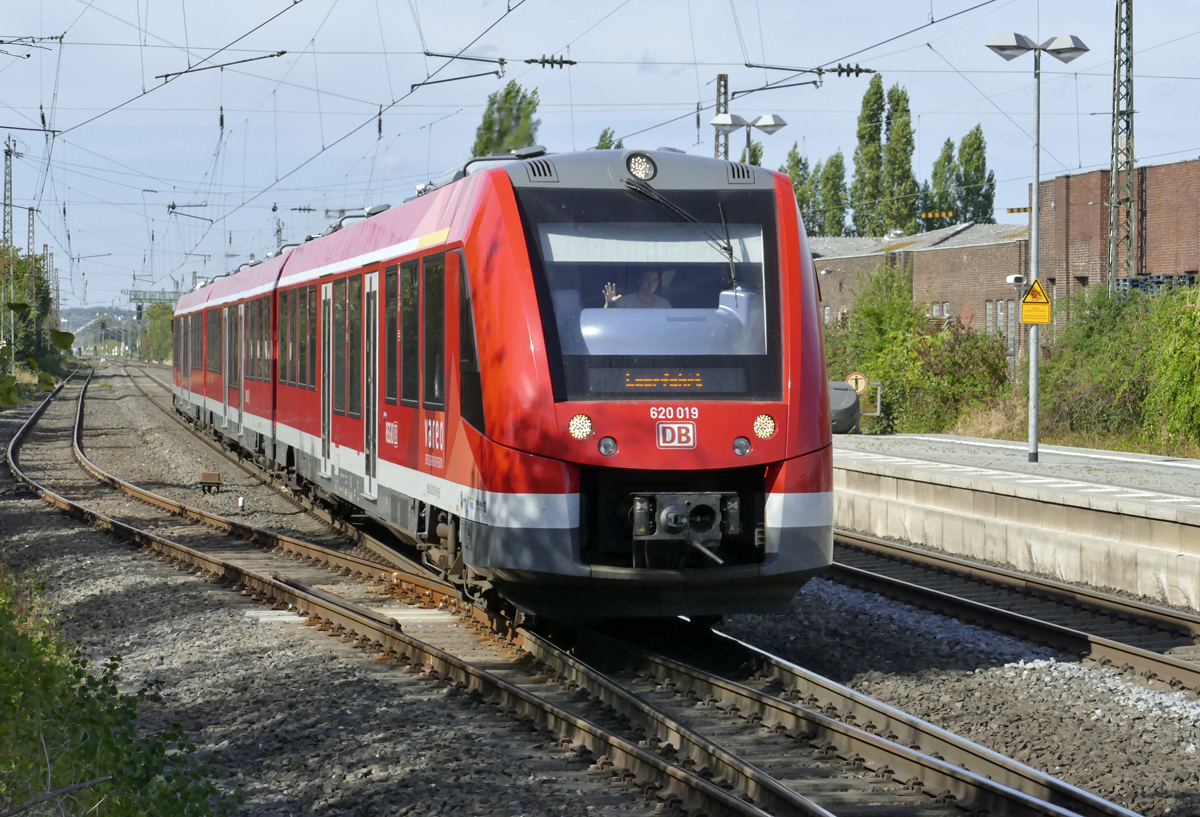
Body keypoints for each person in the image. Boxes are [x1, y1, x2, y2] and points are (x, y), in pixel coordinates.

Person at [603, 269, 671, 309]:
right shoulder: (625, 302)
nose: (650, 284)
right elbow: (608, 319)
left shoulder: (664, 304)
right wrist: (609, 303)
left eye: (654, 280)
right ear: (639, 281)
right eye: (647, 280)